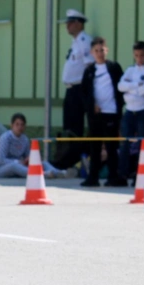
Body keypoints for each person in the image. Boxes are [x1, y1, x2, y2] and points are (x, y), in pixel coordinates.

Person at [80, 36, 125, 187]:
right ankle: (93, 177)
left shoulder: (114, 67)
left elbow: (122, 88)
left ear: (107, 51)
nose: (100, 53)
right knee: (95, 146)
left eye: (102, 50)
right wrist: (91, 106)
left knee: (112, 146)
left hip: (111, 112)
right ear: (92, 53)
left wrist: (120, 105)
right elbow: (84, 93)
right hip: (95, 114)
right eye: (96, 51)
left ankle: (113, 176)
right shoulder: (89, 71)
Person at [60, 9, 93, 169]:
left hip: (79, 89)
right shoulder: (76, 42)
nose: (68, 25)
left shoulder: (85, 41)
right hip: (71, 88)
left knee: (75, 127)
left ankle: (74, 159)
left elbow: (89, 66)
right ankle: (68, 158)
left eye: (70, 22)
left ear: (79, 23)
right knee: (69, 126)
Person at [117, 40, 144, 182]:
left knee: (141, 143)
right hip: (129, 110)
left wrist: (131, 89)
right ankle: (122, 173)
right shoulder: (130, 70)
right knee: (125, 142)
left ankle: (139, 173)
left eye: (142, 55)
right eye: (136, 55)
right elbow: (121, 86)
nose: (139, 58)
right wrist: (136, 85)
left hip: (143, 110)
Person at [0, 113, 66, 179]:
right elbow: (1, 160)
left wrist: (30, 158)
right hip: (2, 168)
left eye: (22, 125)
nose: (20, 127)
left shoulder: (24, 139)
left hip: (21, 165)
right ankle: (43, 174)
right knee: (14, 166)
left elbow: (28, 156)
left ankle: (58, 173)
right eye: (17, 124)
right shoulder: (5, 138)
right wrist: (18, 162)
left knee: (42, 162)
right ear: (12, 125)